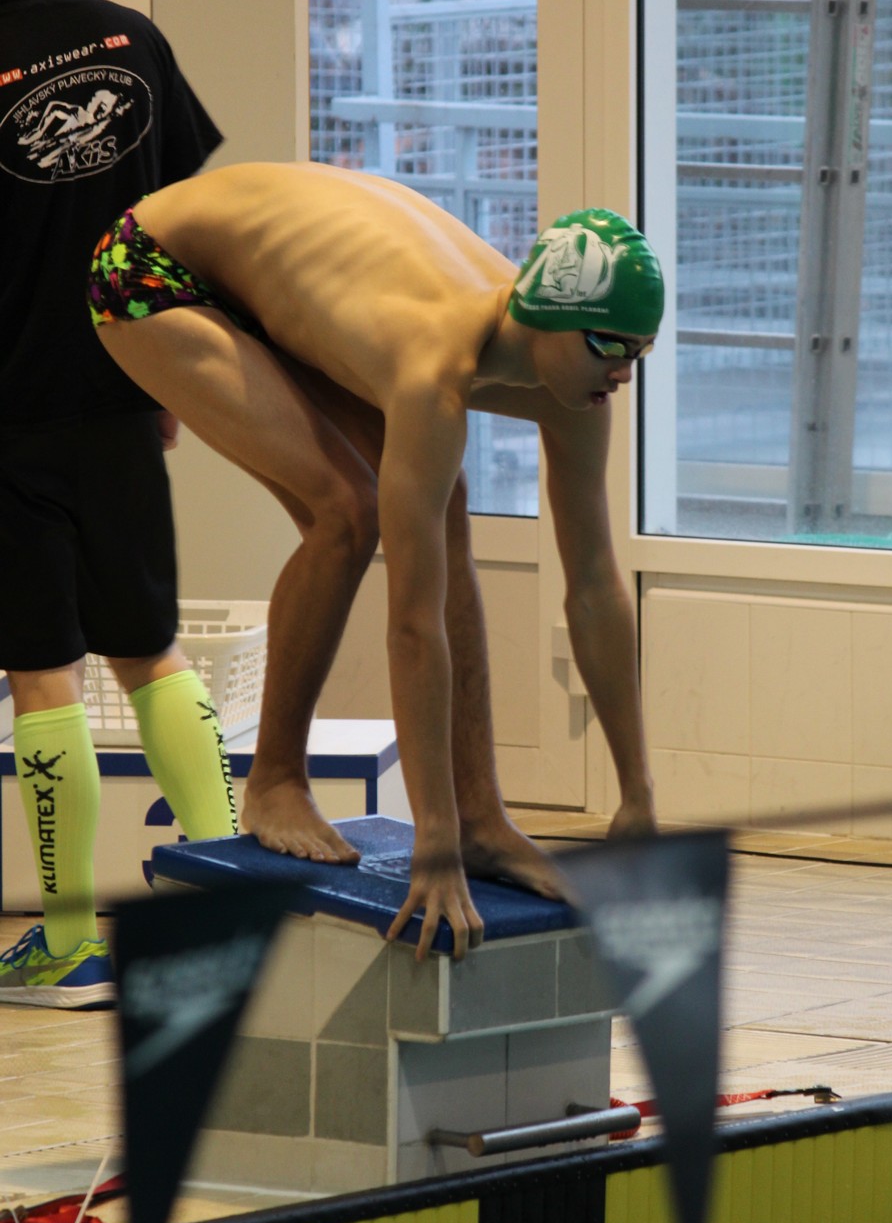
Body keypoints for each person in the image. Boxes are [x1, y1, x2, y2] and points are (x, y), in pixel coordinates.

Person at [88, 161, 665, 960]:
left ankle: (483, 819)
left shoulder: (580, 389)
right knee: (346, 513)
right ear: (548, 320)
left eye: (640, 351)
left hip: (274, 274)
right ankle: (275, 781)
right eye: (609, 347)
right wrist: (431, 844)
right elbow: (412, 626)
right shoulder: (432, 363)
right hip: (156, 266)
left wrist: (636, 795)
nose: (624, 372)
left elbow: (595, 588)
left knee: (443, 499)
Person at [0, 0, 238, 1008]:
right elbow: (183, 215)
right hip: (127, 396)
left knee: (40, 675)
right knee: (151, 650)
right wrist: (174, 369)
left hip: (8, 419)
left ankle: (69, 943)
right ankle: (235, 905)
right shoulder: (127, 36)